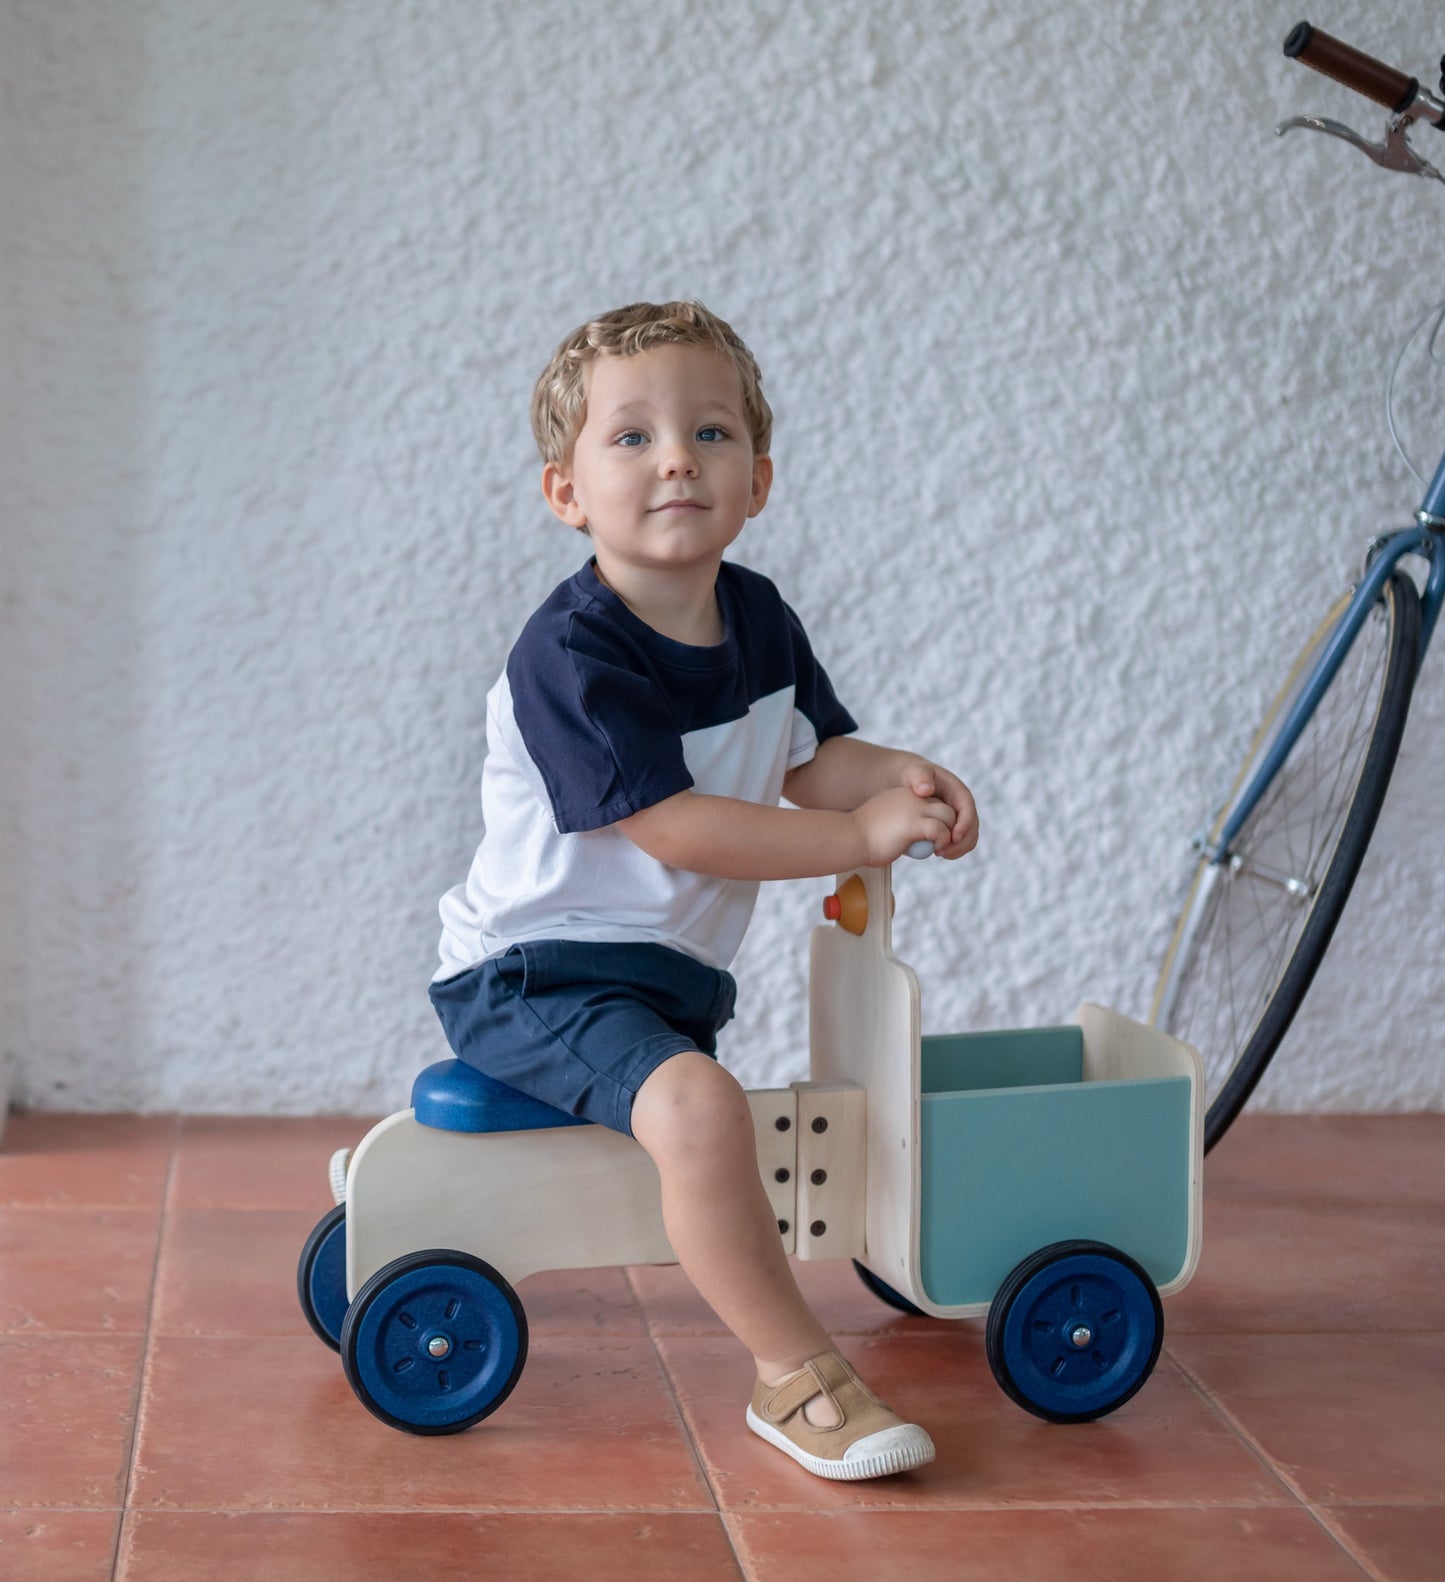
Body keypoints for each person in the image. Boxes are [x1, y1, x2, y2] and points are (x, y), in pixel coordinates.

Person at [430, 300, 977, 1480]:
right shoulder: (570, 652)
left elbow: (806, 755)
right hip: (529, 971)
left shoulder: (759, 619)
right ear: (564, 492)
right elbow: (676, 829)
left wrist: (891, 777)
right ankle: (794, 1375)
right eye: (630, 437)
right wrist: (849, 829)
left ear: (758, 478)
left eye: (710, 432)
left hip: (657, 980)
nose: (676, 456)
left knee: (706, 1098)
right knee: (698, 1110)